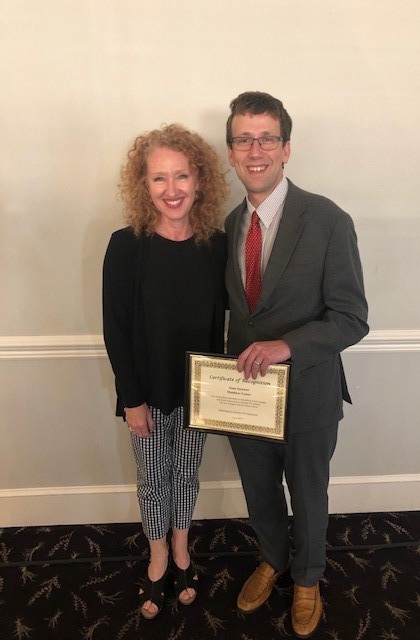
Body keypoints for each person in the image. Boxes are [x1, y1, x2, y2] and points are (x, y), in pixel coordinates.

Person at [224, 91, 369, 638]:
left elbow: (352, 318)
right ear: (232, 151)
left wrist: (288, 345)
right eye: (244, 139)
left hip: (307, 391)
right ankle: (273, 559)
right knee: (259, 491)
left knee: (308, 494)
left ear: (286, 149)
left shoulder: (329, 219)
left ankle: (307, 577)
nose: (255, 149)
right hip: (243, 394)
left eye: (266, 138)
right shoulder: (230, 225)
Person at [102, 124, 228, 620]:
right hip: (147, 394)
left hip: (200, 393)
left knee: (186, 476)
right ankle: (157, 558)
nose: (172, 190)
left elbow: (224, 322)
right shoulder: (126, 246)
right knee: (153, 479)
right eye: (159, 179)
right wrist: (130, 399)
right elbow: (116, 330)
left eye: (181, 176)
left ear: (199, 180)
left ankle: (181, 550)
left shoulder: (216, 246)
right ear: (143, 185)